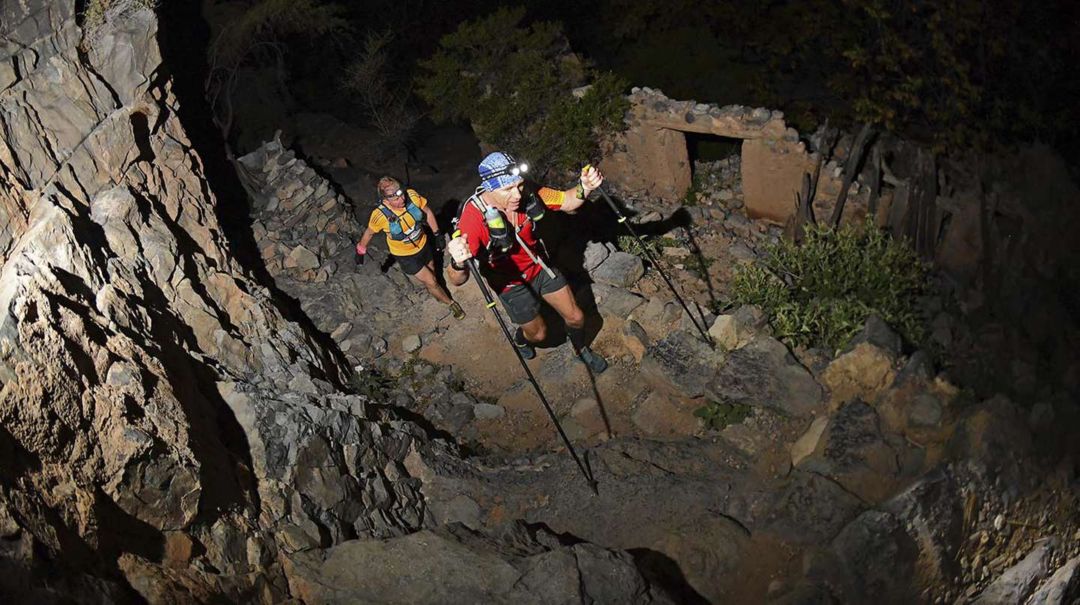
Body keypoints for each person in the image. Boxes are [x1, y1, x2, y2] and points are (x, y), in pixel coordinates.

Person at [446, 151, 607, 373]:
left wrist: (585, 186)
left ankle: (581, 350)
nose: (517, 195)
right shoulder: (473, 219)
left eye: (519, 186)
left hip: (539, 267)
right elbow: (456, 279)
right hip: (510, 283)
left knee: (577, 317)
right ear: (489, 188)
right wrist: (458, 261)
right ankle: (522, 339)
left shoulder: (529, 192)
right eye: (507, 189)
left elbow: (569, 201)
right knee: (539, 335)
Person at [356, 176, 465, 320]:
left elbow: (428, 212)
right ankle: (450, 303)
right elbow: (369, 233)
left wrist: (437, 233)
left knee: (432, 272)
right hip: (405, 255)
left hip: (423, 244)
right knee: (431, 280)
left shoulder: (412, 196)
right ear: (385, 200)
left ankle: (436, 290)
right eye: (395, 199)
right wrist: (360, 250)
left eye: (402, 195)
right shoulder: (379, 216)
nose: (401, 200)